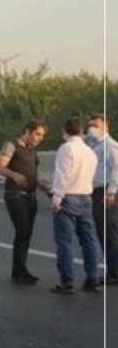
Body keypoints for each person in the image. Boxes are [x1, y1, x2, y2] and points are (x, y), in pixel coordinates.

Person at [50, 117, 100, 294]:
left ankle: (67, 281)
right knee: (89, 240)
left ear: (64, 131)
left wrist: (56, 199)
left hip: (68, 197)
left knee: (65, 241)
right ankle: (92, 279)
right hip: (86, 197)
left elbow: (63, 176)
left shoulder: (66, 149)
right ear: (80, 132)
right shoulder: (90, 151)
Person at [0, 120, 48, 285]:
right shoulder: (11, 146)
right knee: (23, 231)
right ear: (28, 131)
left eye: (42, 136)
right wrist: (14, 176)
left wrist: (44, 187)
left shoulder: (32, 150)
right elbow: (0, 167)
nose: (40, 138)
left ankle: (20, 270)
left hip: (31, 196)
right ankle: (20, 271)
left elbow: (33, 174)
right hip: (15, 195)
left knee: (27, 233)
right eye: (38, 134)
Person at [87, 114, 118, 285]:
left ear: (106, 127)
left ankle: (114, 272)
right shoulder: (94, 144)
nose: (92, 128)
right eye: (90, 125)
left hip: (106, 191)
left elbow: (116, 170)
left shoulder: (110, 145)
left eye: (96, 125)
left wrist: (111, 192)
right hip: (97, 190)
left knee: (109, 232)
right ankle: (112, 269)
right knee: (103, 232)